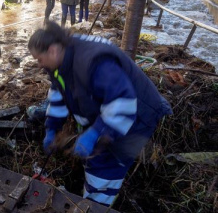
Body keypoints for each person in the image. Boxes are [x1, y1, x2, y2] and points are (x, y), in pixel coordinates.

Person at [27, 22, 172, 206]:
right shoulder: (60, 61)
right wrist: (52, 128)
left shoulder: (94, 61)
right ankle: (91, 192)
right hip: (107, 108)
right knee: (94, 157)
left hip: (136, 114)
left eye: (39, 59)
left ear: (53, 50)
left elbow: (123, 103)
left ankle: (96, 205)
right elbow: (59, 93)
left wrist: (94, 134)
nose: (39, 65)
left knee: (106, 166)